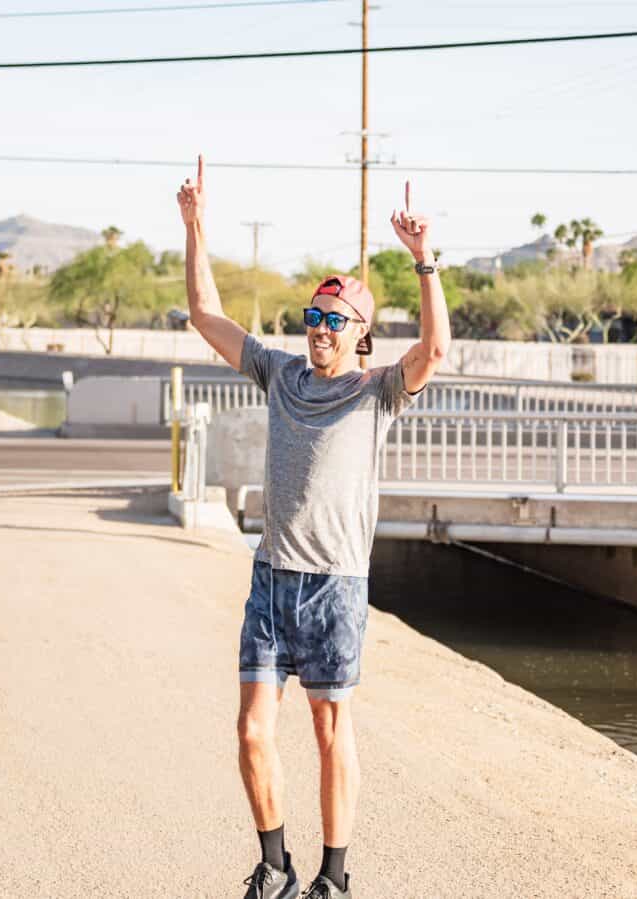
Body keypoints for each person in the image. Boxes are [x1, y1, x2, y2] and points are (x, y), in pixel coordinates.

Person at [177, 155, 450, 899]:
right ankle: (276, 865)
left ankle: (334, 875)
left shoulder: (377, 391)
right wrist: (195, 224)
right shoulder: (279, 373)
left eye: (336, 320)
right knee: (251, 731)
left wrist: (425, 262)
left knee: (332, 733)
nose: (320, 329)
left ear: (360, 333)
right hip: (272, 578)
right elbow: (206, 315)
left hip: (334, 587)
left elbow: (434, 351)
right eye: (314, 316)